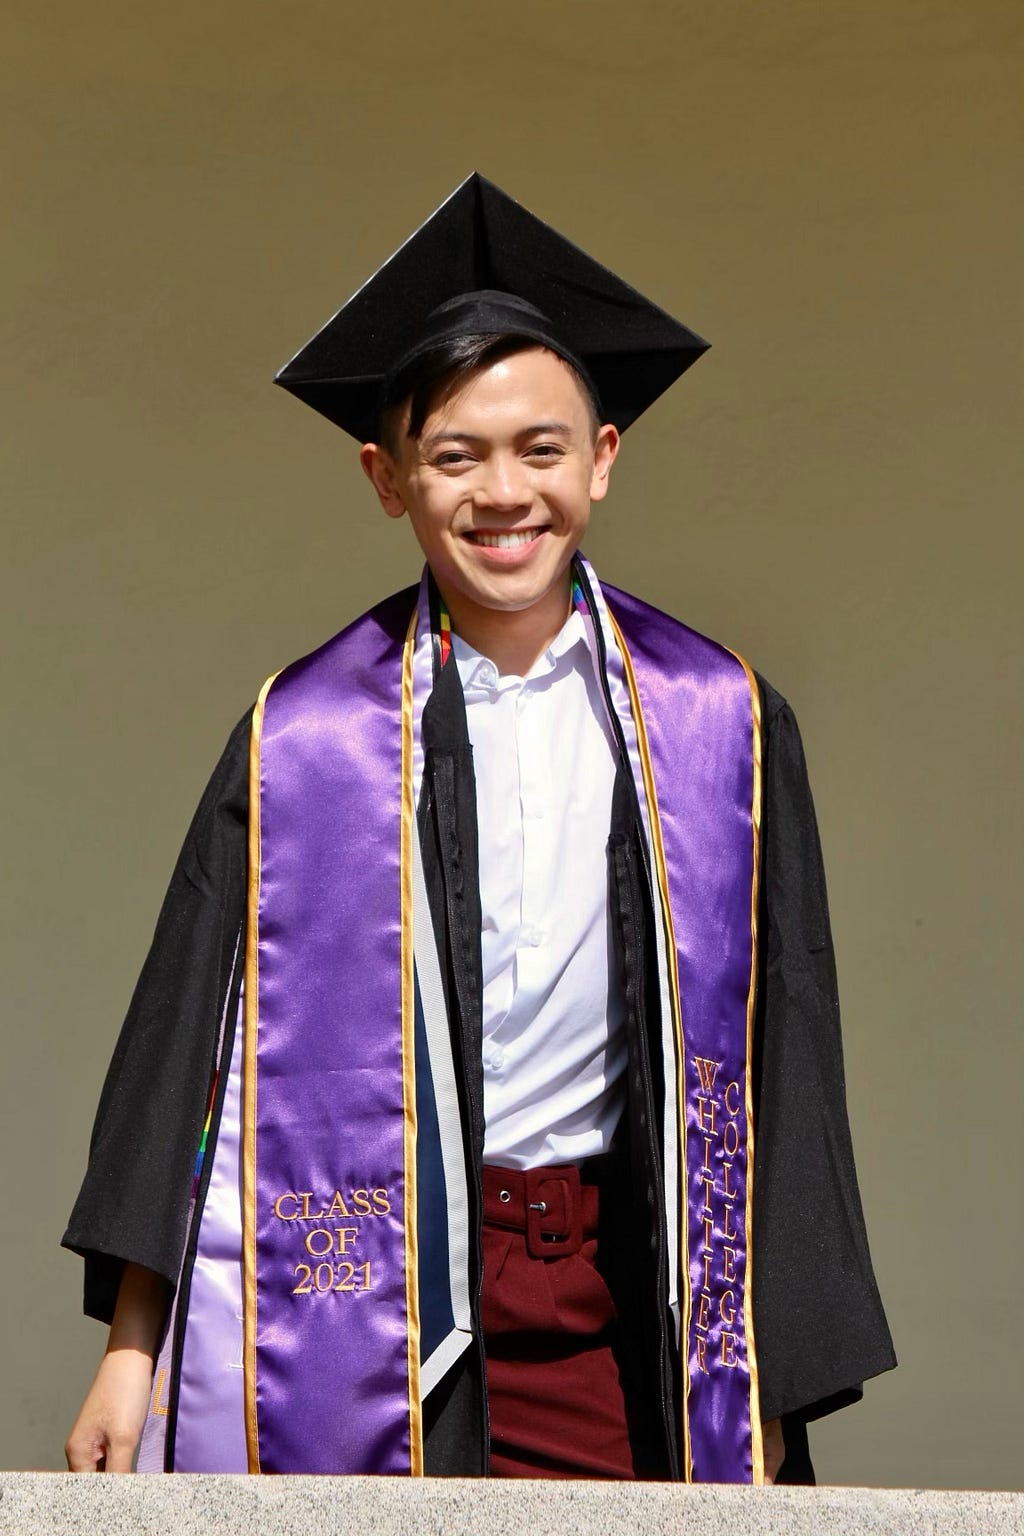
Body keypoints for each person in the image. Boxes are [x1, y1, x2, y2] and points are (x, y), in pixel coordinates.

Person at [63, 174, 896, 1483]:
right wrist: (130, 1347)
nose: (504, 492)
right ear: (386, 477)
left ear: (604, 460)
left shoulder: (714, 720)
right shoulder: (306, 738)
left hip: (628, 1325)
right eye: (455, 455)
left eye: (542, 449)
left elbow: (786, 1049)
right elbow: (192, 1047)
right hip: (369, 1320)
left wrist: (772, 1376)